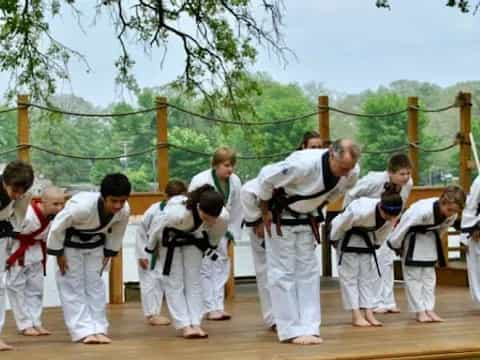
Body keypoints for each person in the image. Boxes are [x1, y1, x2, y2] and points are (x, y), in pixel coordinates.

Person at [254, 139, 360, 344]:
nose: (346, 172)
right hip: (280, 215)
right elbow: (265, 179)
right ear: (331, 154)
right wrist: (264, 212)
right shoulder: (302, 164)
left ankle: (310, 327)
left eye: (350, 168)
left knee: (309, 272)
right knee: (283, 273)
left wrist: (319, 206)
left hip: (307, 216)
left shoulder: (351, 172)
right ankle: (290, 329)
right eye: (343, 167)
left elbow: (339, 191)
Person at [47, 173, 131, 344]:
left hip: (96, 244)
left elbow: (117, 232)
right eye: (114, 201)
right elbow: (57, 227)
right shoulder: (82, 207)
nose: (118, 205)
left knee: (95, 284)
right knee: (73, 285)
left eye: (122, 201)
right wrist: (59, 254)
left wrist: (109, 253)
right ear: (103, 197)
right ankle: (82, 330)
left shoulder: (124, 210)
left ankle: (99, 328)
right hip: (70, 244)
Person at [146, 184, 229, 339]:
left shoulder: (222, 217)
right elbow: (156, 227)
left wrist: (210, 247)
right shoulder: (177, 212)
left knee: (194, 281)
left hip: (195, 238)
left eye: (213, 218)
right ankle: (184, 324)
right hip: (169, 239)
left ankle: (196, 323)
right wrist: (150, 248)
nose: (210, 221)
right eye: (206, 217)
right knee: (174, 282)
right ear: (198, 207)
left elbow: (215, 237)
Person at [343, 153, 413, 313]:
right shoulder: (374, 181)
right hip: (365, 220)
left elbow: (401, 203)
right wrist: (350, 217)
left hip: (388, 221)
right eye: (402, 173)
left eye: (408, 173)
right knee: (372, 261)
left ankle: (387, 300)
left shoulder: (408, 184)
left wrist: (395, 222)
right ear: (390, 172)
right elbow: (351, 193)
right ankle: (373, 301)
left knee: (386, 260)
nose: (405, 177)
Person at [387, 185, 465, 322]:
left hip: (429, 240)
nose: (451, 213)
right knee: (413, 278)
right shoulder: (422, 211)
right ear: (442, 202)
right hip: (412, 240)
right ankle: (419, 311)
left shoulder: (452, 215)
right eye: (449, 210)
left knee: (429, 278)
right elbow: (403, 227)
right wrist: (396, 245)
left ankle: (429, 309)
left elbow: (442, 230)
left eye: (454, 211)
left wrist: (435, 243)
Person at [330, 184, 403, 327]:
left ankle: (369, 313)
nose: (390, 218)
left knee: (366, 278)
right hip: (346, 236)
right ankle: (356, 315)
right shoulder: (361, 211)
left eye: (392, 216)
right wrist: (333, 239)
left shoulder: (392, 215)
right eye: (387, 215)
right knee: (350, 278)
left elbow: (385, 230)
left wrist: (377, 243)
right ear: (381, 207)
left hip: (367, 239)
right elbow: (340, 224)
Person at [189, 147, 242, 320]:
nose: (230, 169)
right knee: (205, 267)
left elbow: (237, 209)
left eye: (232, 165)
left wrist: (233, 232)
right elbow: (191, 206)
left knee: (221, 266)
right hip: (203, 230)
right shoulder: (200, 179)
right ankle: (208, 307)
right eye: (226, 165)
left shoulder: (235, 181)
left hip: (222, 230)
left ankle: (218, 305)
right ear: (216, 164)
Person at [6, 186, 65, 336]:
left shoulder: (56, 217)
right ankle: (25, 324)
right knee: (16, 288)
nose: (60, 208)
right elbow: (11, 234)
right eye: (55, 204)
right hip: (19, 252)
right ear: (43, 202)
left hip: (37, 253)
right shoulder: (27, 214)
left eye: (62, 204)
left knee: (36, 289)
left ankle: (36, 322)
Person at [136, 180, 187, 326]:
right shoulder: (154, 210)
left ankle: (174, 312)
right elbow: (141, 231)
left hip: (168, 249)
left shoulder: (185, 210)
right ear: (166, 196)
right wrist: (141, 254)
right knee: (150, 281)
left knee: (165, 279)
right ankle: (152, 314)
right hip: (149, 248)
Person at [0, 160, 34, 351]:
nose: (18, 195)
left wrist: (13, 236)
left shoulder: (24, 194)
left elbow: (19, 217)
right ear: (5, 181)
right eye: (14, 190)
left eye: (22, 190)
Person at [460, 175, 480, 304]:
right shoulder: (479, 182)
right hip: (476, 229)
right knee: (477, 267)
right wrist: (471, 230)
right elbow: (470, 208)